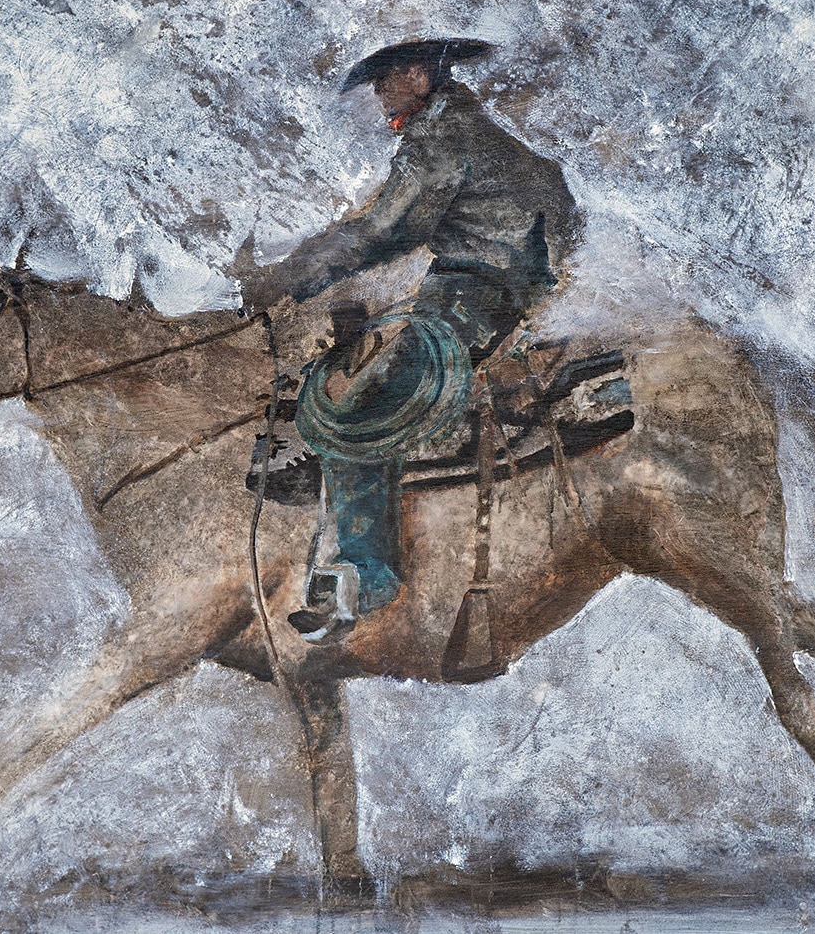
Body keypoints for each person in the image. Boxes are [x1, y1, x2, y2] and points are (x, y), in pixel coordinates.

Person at [238, 38, 579, 630]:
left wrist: (284, 280)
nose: (379, 93)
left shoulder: (439, 140)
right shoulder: (483, 133)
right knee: (353, 352)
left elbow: (383, 232)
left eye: (386, 79)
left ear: (421, 76)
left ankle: (362, 580)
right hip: (492, 293)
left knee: (357, 404)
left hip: (473, 300)